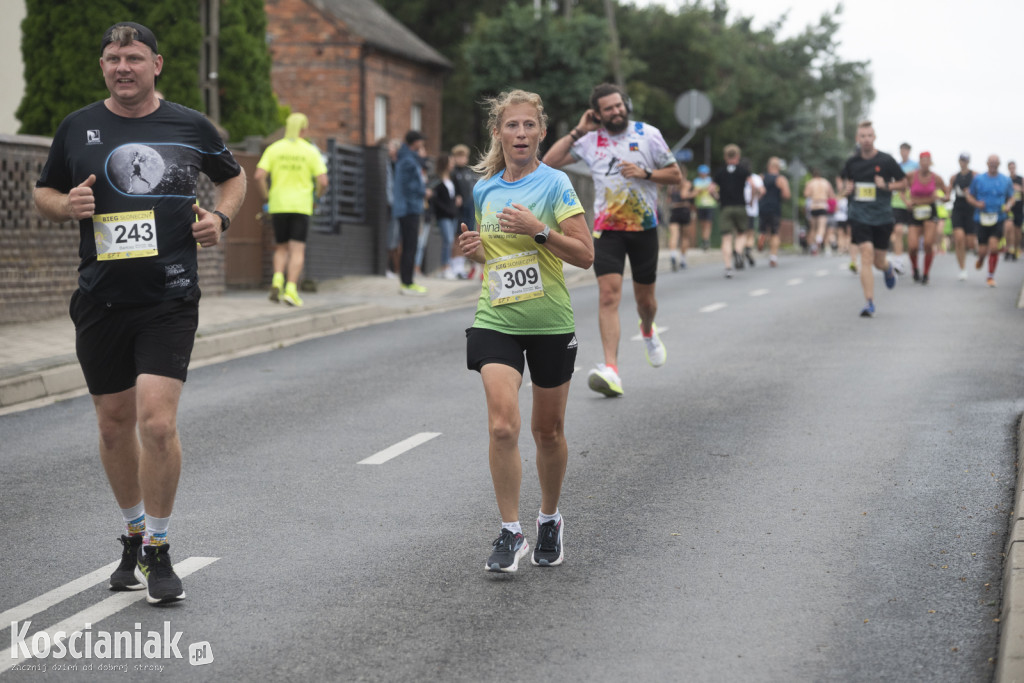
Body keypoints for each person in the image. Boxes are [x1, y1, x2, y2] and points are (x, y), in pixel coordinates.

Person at [33, 22, 245, 604]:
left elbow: (234, 177)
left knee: (156, 421)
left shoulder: (189, 125)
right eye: (111, 58)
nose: (122, 67)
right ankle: (131, 530)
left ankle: (158, 544)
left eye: (132, 57)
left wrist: (219, 219)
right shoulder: (77, 127)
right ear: (102, 66)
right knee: (112, 423)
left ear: (157, 63)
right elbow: (43, 191)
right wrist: (65, 205)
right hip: (100, 298)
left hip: (169, 296)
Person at [458, 90, 593, 572]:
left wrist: (540, 230)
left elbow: (584, 254)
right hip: (496, 318)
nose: (519, 134)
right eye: (511, 126)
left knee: (548, 432)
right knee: (502, 425)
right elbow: (495, 258)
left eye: (528, 126)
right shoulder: (485, 189)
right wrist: (474, 248)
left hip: (551, 321)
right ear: (498, 133)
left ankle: (550, 519)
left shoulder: (556, 185)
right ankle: (510, 531)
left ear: (541, 132)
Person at [542, 83, 681, 397]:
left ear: (625, 105)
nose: (616, 111)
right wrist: (578, 130)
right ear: (598, 114)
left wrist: (644, 174)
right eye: (609, 108)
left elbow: (675, 176)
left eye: (619, 105)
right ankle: (611, 370)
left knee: (646, 302)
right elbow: (548, 162)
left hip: (644, 229)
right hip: (607, 231)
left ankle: (647, 328)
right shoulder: (591, 141)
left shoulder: (648, 134)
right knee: (608, 297)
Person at [255, 113, 328, 307]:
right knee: (297, 249)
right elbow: (323, 181)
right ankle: (291, 290)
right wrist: (317, 196)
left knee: (281, 247)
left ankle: (277, 279)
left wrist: (267, 197)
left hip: (278, 204)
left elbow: (259, 176)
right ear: (304, 129)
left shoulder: (274, 149)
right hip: (301, 205)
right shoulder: (310, 151)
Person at [839, 121, 906, 317]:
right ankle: (869, 302)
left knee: (878, 261)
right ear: (857, 139)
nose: (866, 140)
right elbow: (843, 185)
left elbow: (903, 183)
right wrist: (846, 190)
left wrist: (886, 185)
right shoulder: (852, 163)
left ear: (874, 137)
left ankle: (888, 268)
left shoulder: (886, 160)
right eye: (863, 136)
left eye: (869, 136)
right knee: (866, 254)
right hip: (859, 214)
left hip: (882, 216)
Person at [966, 154, 1015, 287]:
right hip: (981, 217)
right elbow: (969, 196)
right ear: (987, 163)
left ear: (999, 164)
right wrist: (976, 203)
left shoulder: (1006, 180)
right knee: (982, 250)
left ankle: (990, 276)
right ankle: (981, 258)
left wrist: (1008, 206)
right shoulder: (979, 179)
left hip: (998, 217)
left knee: (994, 247)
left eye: (995, 162)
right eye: (991, 162)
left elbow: (1012, 197)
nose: (993, 164)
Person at [904, 151, 948, 285]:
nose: (925, 163)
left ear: (930, 162)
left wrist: (940, 197)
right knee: (912, 246)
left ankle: (926, 273)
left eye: (927, 161)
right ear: (919, 162)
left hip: (930, 211)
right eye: (922, 160)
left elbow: (947, 196)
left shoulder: (937, 178)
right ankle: (915, 268)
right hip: (915, 211)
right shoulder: (911, 176)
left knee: (928, 244)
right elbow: (901, 189)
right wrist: (907, 201)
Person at [394, 130, 429, 295]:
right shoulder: (408, 160)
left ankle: (407, 282)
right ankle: (407, 283)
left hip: (407, 207)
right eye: (421, 141)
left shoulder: (406, 157)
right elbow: (409, 186)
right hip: (409, 208)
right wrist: (423, 191)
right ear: (415, 142)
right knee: (410, 245)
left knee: (409, 245)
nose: (422, 145)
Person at [711, 144, 754, 277]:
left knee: (726, 238)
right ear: (738, 156)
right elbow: (754, 186)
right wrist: (751, 200)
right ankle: (738, 250)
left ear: (725, 157)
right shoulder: (743, 170)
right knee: (742, 233)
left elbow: (711, 189)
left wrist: (718, 198)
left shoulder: (720, 172)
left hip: (725, 207)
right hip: (740, 206)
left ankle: (728, 267)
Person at [429, 152, 460, 279]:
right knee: (447, 240)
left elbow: (454, 195)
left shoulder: (452, 179)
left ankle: (447, 265)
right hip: (443, 215)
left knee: (450, 241)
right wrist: (447, 208)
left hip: (453, 215)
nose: (452, 164)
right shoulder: (437, 180)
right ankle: (445, 267)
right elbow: (435, 199)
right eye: (450, 162)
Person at [451, 143, 479, 279]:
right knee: (456, 237)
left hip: (470, 209)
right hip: (457, 211)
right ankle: (455, 264)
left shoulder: (469, 173)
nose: (461, 159)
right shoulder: (453, 173)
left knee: (467, 236)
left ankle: (461, 265)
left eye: (464, 156)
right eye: (459, 156)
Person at [890, 142, 918, 273]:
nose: (904, 152)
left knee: (913, 236)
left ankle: (914, 262)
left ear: (909, 151)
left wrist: (911, 200)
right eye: (902, 150)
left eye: (906, 150)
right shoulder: (896, 166)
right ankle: (898, 261)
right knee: (898, 230)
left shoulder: (915, 166)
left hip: (913, 203)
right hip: (898, 202)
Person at [949, 153, 977, 280]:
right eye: (961, 160)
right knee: (959, 239)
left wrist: (971, 194)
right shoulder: (954, 177)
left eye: (965, 160)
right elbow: (948, 193)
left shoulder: (975, 175)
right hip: (958, 210)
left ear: (968, 162)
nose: (963, 163)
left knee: (970, 243)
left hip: (971, 210)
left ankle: (975, 248)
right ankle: (962, 268)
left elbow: (980, 190)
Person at [759, 158, 791, 267]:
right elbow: (786, 195)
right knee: (775, 233)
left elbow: (757, 192)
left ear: (768, 166)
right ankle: (773, 256)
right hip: (775, 208)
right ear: (778, 167)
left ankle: (762, 235)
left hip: (762, 207)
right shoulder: (781, 179)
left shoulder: (761, 177)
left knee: (763, 229)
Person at [666, 162, 694, 271]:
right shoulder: (686, 183)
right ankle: (682, 260)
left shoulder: (671, 186)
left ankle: (673, 255)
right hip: (684, 210)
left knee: (674, 235)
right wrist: (695, 193)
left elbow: (668, 200)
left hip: (674, 210)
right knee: (684, 237)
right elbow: (684, 195)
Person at [803, 169, 835, 255]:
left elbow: (806, 194)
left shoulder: (810, 182)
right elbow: (831, 195)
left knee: (813, 228)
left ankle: (813, 245)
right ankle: (818, 239)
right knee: (821, 226)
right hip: (822, 205)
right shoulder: (826, 182)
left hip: (813, 206)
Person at [742, 158, 765, 264]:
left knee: (740, 232)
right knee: (750, 232)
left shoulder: (737, 176)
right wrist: (755, 199)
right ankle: (748, 248)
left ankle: (739, 251)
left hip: (740, 207)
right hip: (751, 209)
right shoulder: (755, 178)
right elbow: (762, 191)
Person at [693, 164, 717, 251]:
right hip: (700, 205)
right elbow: (696, 191)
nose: (704, 174)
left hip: (710, 204)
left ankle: (706, 241)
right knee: (702, 224)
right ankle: (704, 240)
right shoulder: (697, 181)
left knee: (708, 224)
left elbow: (714, 190)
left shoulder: (710, 180)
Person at [1006, 161, 1022, 261]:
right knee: (1008, 228)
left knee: (1017, 231)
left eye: (1013, 167)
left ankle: (1015, 250)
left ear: (1015, 168)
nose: (1012, 169)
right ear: (1008, 168)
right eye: (1010, 167)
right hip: (1009, 207)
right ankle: (1009, 249)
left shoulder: (1020, 179)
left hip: (1019, 207)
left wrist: (1019, 188)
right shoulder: (1006, 180)